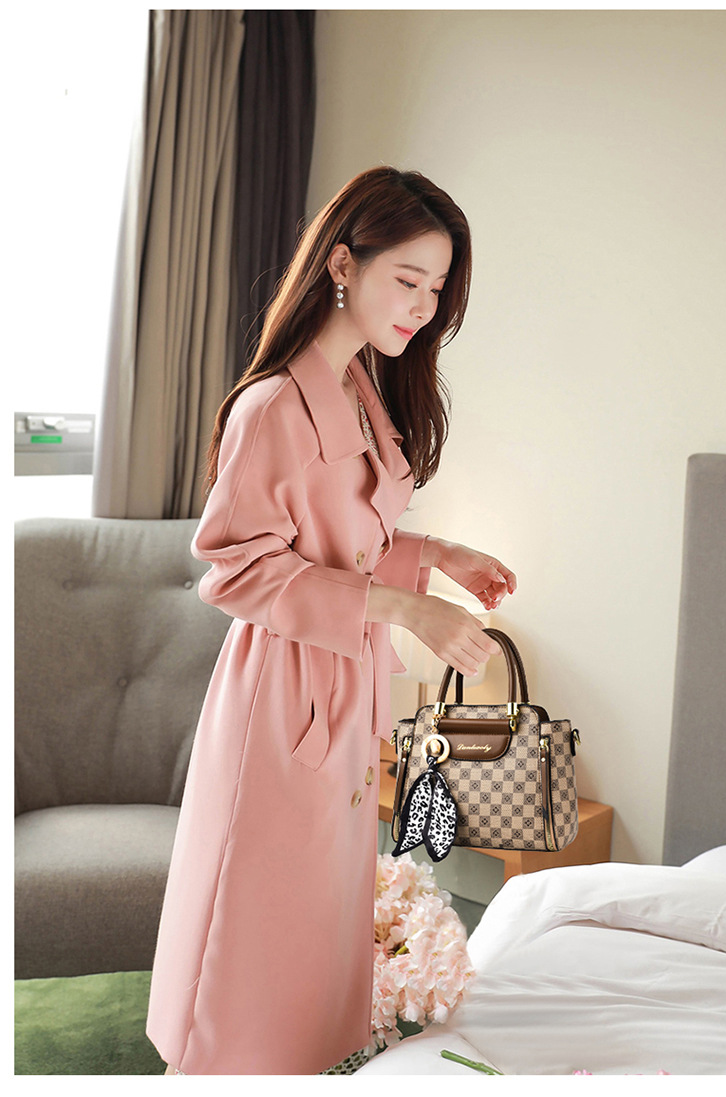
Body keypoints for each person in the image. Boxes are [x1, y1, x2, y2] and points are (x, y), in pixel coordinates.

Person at [146, 166, 517, 1075]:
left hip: (340, 680)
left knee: (316, 909)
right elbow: (240, 567)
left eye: (438, 288)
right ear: (343, 264)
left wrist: (437, 555)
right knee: (260, 914)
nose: (425, 307)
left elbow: (341, 543)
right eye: (409, 279)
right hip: (282, 692)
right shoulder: (274, 405)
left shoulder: (357, 388)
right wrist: (408, 606)